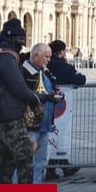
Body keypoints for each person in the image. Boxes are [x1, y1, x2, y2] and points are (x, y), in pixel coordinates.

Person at [0, 19, 43, 183]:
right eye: (20, 40)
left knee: (7, 159)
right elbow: (17, 86)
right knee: (24, 156)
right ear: (11, 37)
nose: (22, 45)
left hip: (0, 113)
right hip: (10, 114)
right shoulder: (6, 56)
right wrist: (35, 99)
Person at [20, 43, 62, 183]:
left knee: (41, 160)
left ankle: (35, 187)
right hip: (30, 123)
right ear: (35, 56)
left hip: (44, 122)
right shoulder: (24, 72)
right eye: (46, 57)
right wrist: (47, 97)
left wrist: (56, 95)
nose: (49, 60)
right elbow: (26, 94)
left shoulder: (44, 70)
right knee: (26, 160)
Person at [46, 39, 86, 179]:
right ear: (62, 51)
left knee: (50, 136)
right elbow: (80, 79)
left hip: (46, 106)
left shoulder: (46, 63)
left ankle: (55, 168)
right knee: (60, 134)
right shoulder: (63, 66)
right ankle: (60, 166)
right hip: (62, 105)